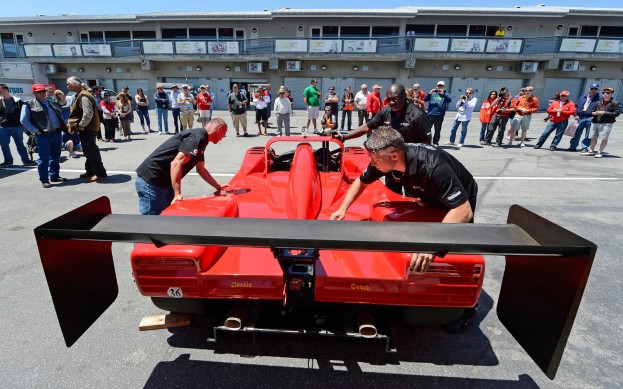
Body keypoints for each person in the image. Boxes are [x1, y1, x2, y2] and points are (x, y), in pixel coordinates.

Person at [330, 126, 478, 274]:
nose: (373, 164)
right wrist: (342, 209)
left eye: (375, 160)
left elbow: (463, 210)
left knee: (456, 242)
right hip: (429, 194)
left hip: (459, 196)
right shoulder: (382, 159)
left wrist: (433, 244)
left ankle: (462, 272)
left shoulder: (433, 166)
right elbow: (361, 182)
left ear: (394, 156)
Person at [334, 83, 432, 195]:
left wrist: (424, 171)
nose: (391, 102)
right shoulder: (386, 111)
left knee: (413, 199)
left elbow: (427, 146)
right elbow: (368, 126)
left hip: (411, 166)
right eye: (388, 99)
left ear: (404, 96)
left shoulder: (418, 115)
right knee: (392, 195)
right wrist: (345, 137)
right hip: (390, 163)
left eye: (395, 98)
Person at [134, 118, 228, 215]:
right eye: (223, 134)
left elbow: (201, 169)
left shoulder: (202, 140)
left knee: (170, 214)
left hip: (165, 182)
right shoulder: (198, 137)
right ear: (220, 129)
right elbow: (176, 163)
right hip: (152, 181)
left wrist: (218, 186)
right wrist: (177, 194)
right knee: (150, 222)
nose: (222, 138)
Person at [20, 84, 66, 188]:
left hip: (56, 132)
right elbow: (24, 120)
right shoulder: (28, 104)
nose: (42, 93)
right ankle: (44, 179)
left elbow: (63, 105)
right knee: (44, 158)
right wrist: (36, 131)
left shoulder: (51, 101)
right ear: (34, 93)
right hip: (43, 135)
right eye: (39, 91)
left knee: (55, 156)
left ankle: (54, 175)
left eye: (43, 91)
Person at [66, 76, 107, 182]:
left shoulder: (83, 95)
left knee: (91, 151)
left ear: (74, 84)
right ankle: (90, 171)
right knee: (88, 150)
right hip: (89, 127)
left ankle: (100, 173)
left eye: (68, 84)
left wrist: (81, 125)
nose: (67, 86)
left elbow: (88, 113)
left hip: (87, 128)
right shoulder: (81, 94)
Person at [0, 83, 36, 167]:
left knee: (19, 144)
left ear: (5, 90)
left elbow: (24, 114)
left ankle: (25, 160)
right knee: (4, 145)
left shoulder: (17, 101)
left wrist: (27, 127)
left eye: (0, 90)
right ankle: (8, 160)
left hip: (16, 126)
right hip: (3, 126)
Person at [580, 87, 620, 158]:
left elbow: (616, 113)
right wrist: (594, 113)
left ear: (612, 94)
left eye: (608, 93)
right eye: (604, 92)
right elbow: (592, 111)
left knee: (604, 138)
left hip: (606, 123)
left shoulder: (615, 103)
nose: (605, 94)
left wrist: (604, 112)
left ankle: (600, 152)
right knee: (593, 137)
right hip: (595, 122)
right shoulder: (598, 102)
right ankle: (591, 151)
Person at [570, 84, 600, 152]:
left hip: (590, 118)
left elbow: (601, 108)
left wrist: (595, 116)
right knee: (576, 132)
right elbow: (575, 107)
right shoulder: (583, 97)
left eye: (595, 89)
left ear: (597, 90)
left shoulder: (599, 98)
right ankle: (573, 146)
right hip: (580, 117)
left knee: (588, 134)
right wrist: (575, 115)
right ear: (588, 89)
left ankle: (584, 147)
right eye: (592, 88)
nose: (593, 90)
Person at [424, 81, 452, 146]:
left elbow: (449, 100)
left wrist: (443, 94)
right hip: (430, 114)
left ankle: (435, 142)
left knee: (437, 130)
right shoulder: (433, 94)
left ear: (443, 87)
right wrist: (429, 93)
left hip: (439, 115)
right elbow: (425, 100)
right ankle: (426, 141)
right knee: (427, 130)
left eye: (441, 86)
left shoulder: (446, 94)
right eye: (439, 86)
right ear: (437, 86)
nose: (440, 87)